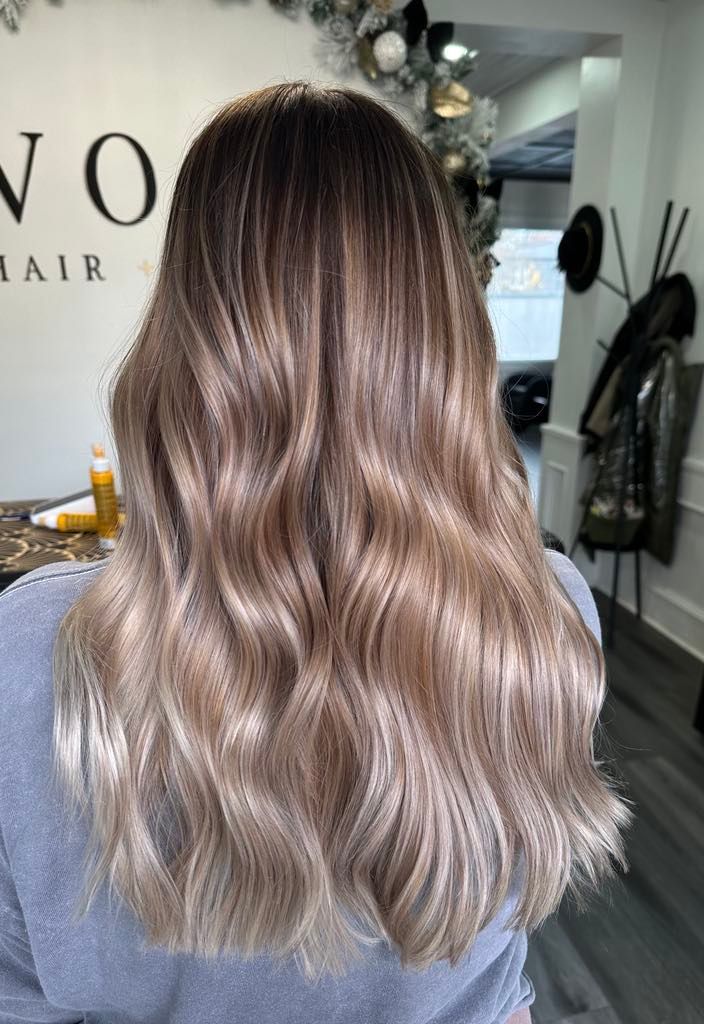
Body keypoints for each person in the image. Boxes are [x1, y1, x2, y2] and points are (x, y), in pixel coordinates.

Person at [0, 82, 629, 1024]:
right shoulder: (543, 616)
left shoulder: (35, 649)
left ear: (185, 331)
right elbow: (499, 991)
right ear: (445, 336)